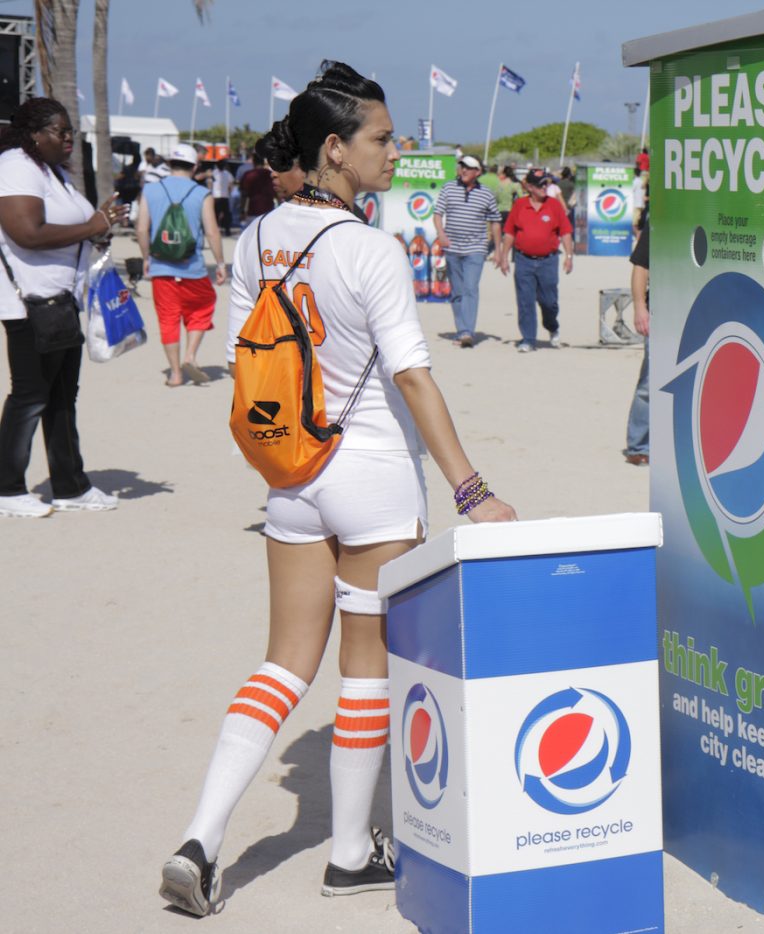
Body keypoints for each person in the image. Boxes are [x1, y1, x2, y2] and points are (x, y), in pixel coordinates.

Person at [158, 61, 515, 919]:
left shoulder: (256, 238)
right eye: (383, 139)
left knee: (282, 662)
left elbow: (252, 360)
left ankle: (201, 838)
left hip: (290, 477)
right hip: (372, 477)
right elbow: (416, 379)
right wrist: (473, 493)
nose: (397, 152)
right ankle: (350, 855)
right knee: (363, 674)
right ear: (335, 148)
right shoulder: (371, 247)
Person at [0, 98, 127, 518]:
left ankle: (70, 486)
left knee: (60, 397)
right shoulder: (16, 165)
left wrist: (102, 228)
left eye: (71, 130)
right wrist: (92, 226)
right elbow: (26, 233)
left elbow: (74, 229)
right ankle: (7, 487)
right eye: (60, 131)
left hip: (61, 301)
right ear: (34, 134)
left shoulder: (50, 172)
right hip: (29, 303)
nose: (69, 137)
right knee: (31, 396)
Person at [136, 142, 226, 387]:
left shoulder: (150, 191)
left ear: (168, 163)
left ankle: (175, 374)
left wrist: (146, 258)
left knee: (168, 318)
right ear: (195, 166)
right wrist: (220, 263)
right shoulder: (201, 194)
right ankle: (190, 356)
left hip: (161, 267)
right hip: (192, 268)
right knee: (202, 307)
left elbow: (142, 229)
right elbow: (212, 232)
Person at [496, 167, 573, 352]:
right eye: (539, 185)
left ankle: (552, 327)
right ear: (529, 187)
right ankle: (528, 339)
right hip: (524, 260)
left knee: (549, 302)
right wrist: (504, 257)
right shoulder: (520, 205)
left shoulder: (554, 205)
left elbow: (566, 232)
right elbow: (509, 233)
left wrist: (569, 256)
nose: (544, 187)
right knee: (525, 301)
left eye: (546, 183)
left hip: (548, 260)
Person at [433, 154, 500, 348]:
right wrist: (441, 234)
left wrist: (498, 250)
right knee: (457, 291)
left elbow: (495, 221)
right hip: (452, 248)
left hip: (476, 249)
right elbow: (438, 215)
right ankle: (462, 328)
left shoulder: (486, 193)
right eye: (461, 166)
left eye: (468, 167)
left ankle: (466, 331)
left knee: (470, 288)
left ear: (477, 172)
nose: (463, 170)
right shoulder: (448, 188)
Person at [623, 216, 650, 466]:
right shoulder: (660, 217)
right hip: (661, 310)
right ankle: (638, 445)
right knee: (650, 383)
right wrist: (640, 307)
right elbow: (641, 265)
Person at [239, 151, 277, 218]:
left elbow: (244, 195)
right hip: (269, 212)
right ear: (263, 162)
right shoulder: (271, 175)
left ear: (254, 162)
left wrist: (242, 211)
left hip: (253, 211)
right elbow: (278, 192)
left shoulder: (248, 175)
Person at [210, 160, 235, 235]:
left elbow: (210, 183)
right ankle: (227, 230)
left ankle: (216, 229)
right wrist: (229, 193)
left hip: (216, 196)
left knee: (216, 214)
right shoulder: (228, 174)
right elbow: (231, 185)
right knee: (226, 214)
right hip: (225, 196)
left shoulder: (213, 173)